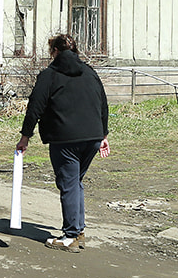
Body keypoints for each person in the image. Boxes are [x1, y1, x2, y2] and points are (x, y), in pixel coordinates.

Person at [16, 33, 111, 251]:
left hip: (65, 138)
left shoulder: (49, 75)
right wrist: (104, 135)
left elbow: (35, 108)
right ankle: (79, 231)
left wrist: (25, 137)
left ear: (55, 52)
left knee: (68, 184)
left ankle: (70, 236)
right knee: (75, 182)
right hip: (93, 137)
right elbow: (103, 104)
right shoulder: (90, 72)